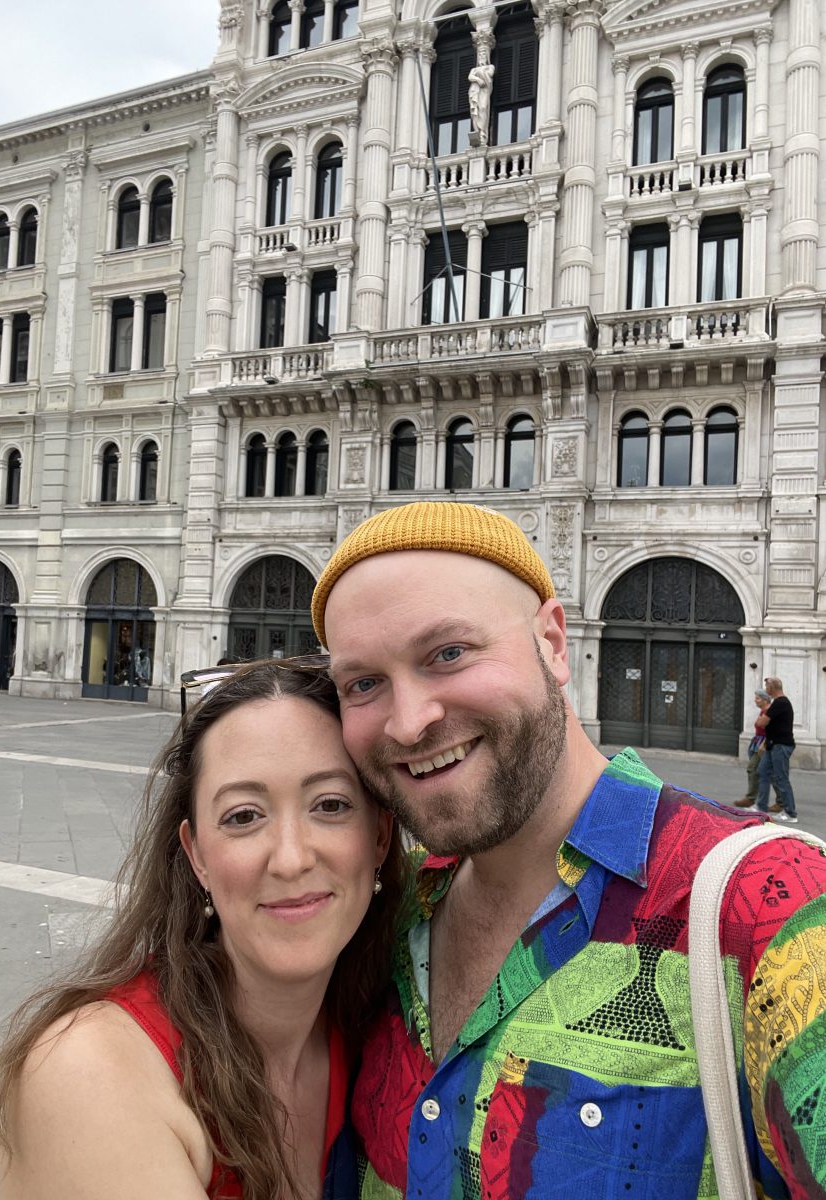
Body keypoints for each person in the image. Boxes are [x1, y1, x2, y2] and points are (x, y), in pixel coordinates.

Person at [310, 501, 826, 1199]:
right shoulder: (386, 914)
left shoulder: (774, 906)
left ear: (553, 643)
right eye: (364, 684)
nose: (407, 723)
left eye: (449, 654)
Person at [0, 661, 405, 1200]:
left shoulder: (375, 1036)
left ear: (379, 837)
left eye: (330, 805)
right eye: (243, 816)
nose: (291, 859)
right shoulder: (93, 1074)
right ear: (197, 855)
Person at [756, 675, 798, 824]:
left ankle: (790, 813)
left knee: (781, 778)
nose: (766, 689)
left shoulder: (780, 703)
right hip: (772, 744)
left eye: (767, 686)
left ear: (772, 687)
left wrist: (763, 719)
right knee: (762, 771)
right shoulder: (777, 703)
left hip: (781, 746)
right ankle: (761, 807)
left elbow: (761, 722)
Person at [735, 687, 780, 808]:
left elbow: (771, 730)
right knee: (768, 773)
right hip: (758, 743)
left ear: (765, 700)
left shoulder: (768, 712)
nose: (755, 700)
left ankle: (751, 798)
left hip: (763, 745)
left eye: (758, 698)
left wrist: (764, 744)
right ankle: (781, 801)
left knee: (754, 768)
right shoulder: (763, 711)